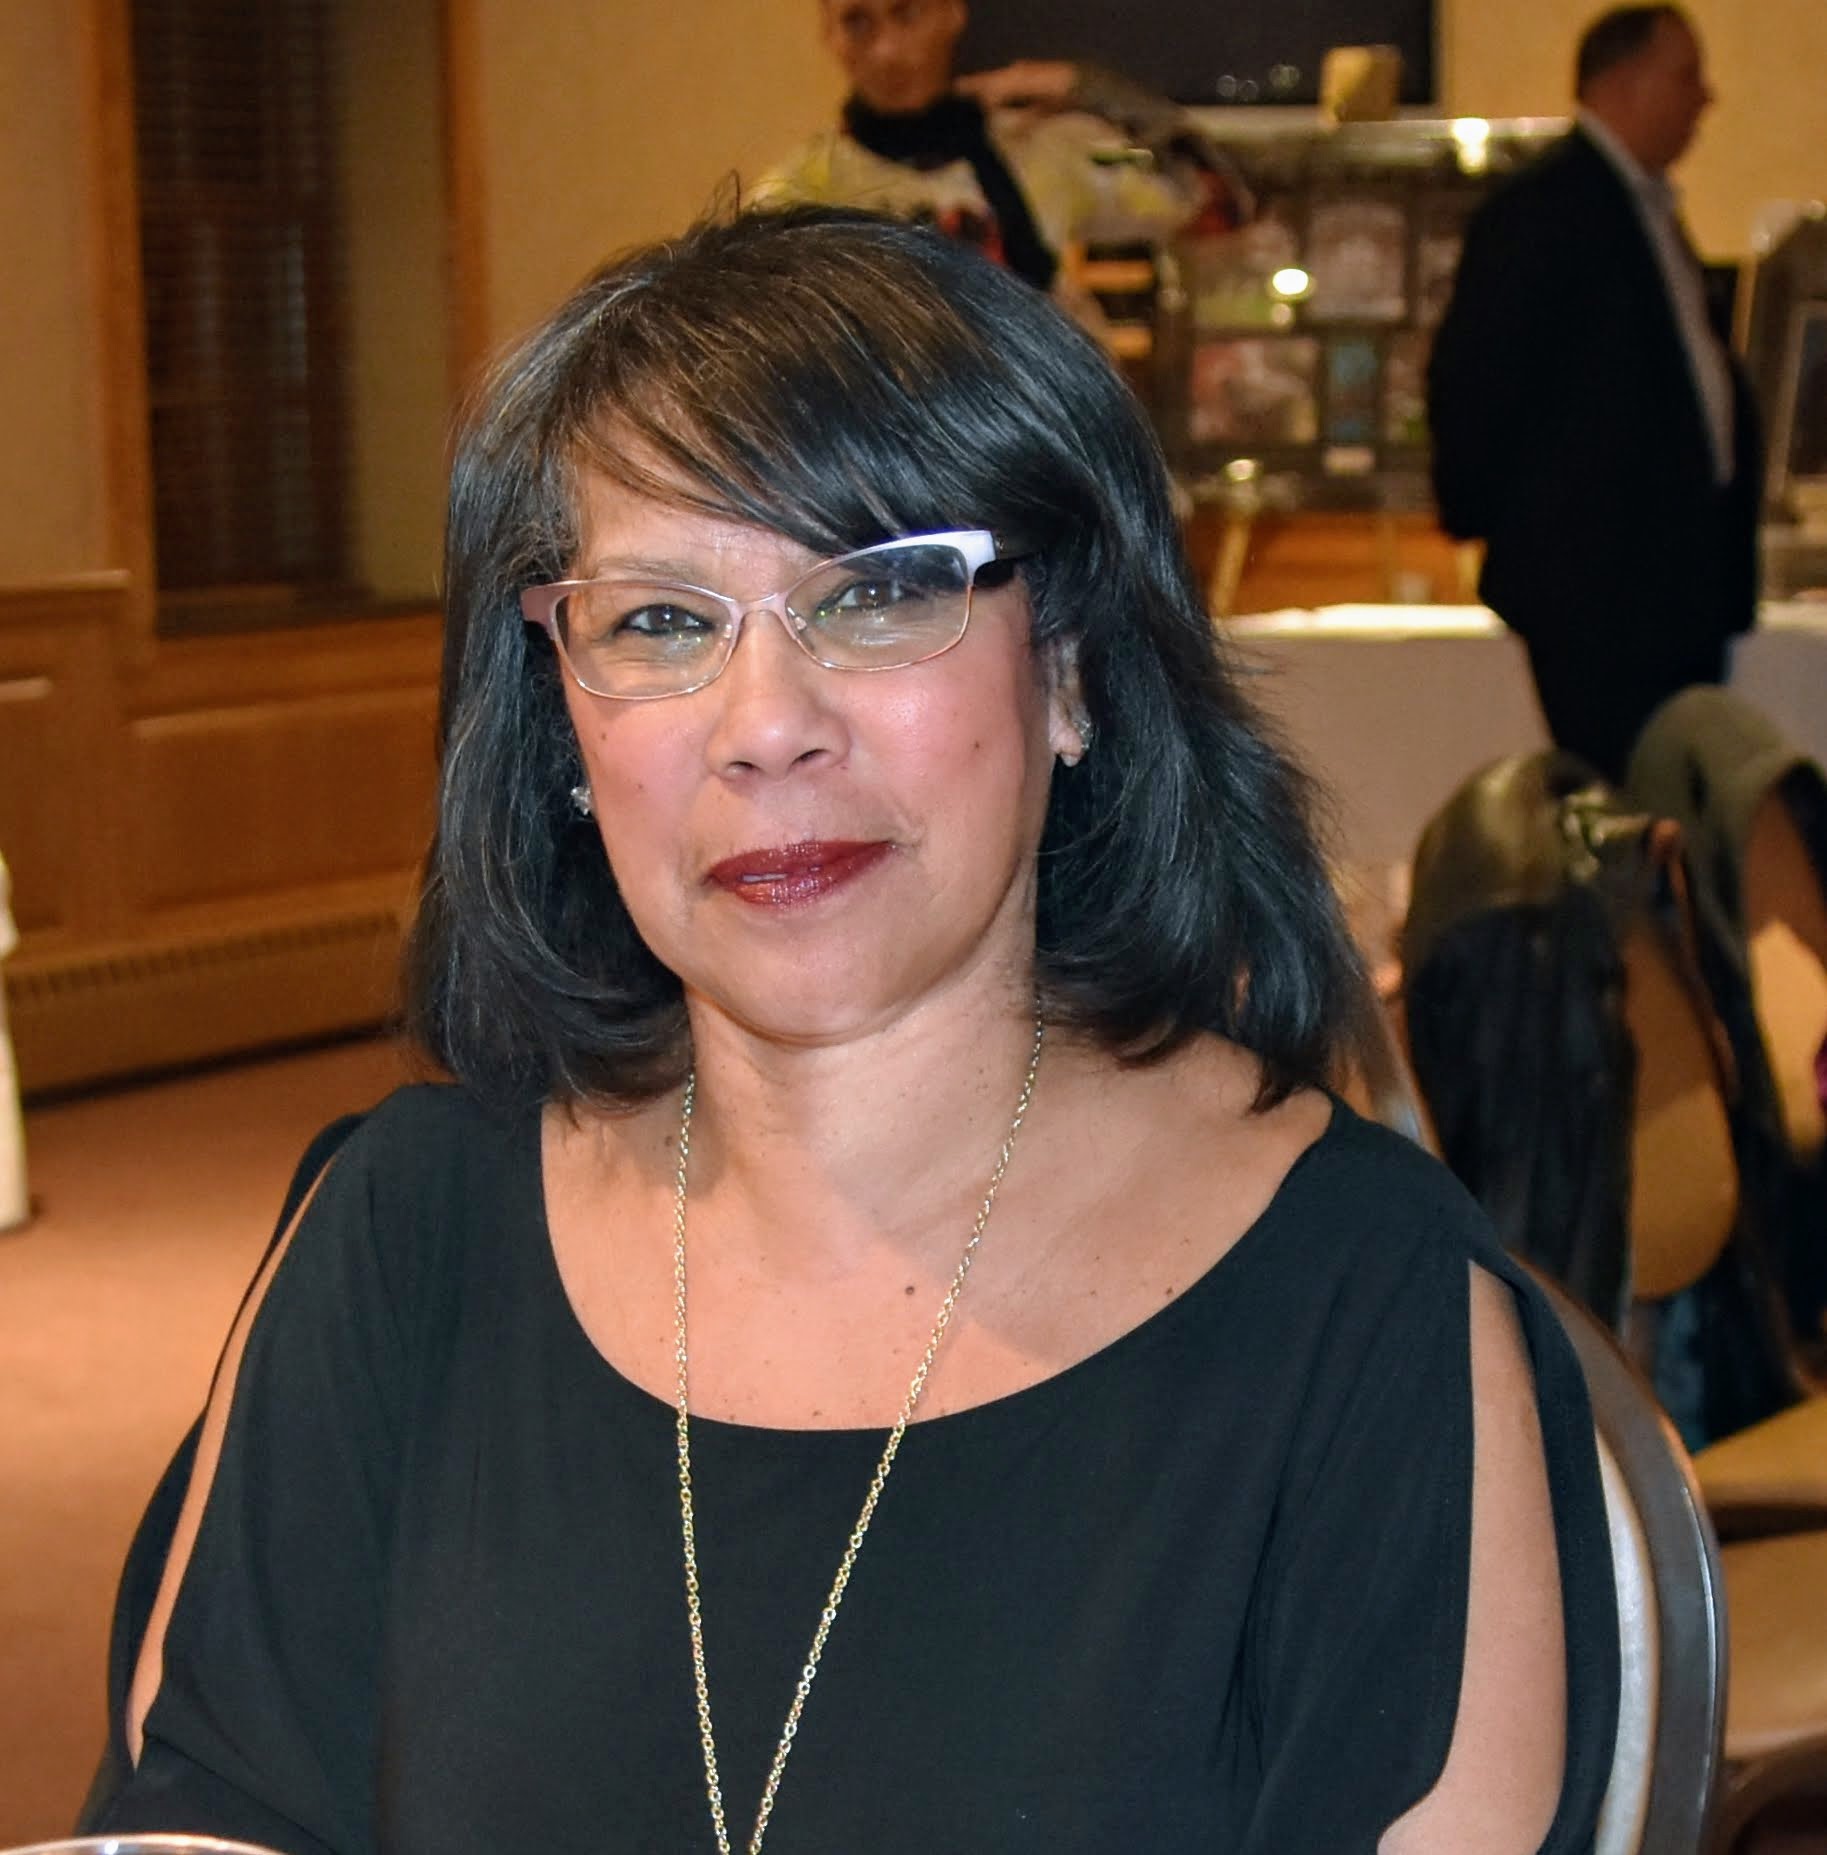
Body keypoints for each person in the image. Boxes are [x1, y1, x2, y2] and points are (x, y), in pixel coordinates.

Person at [94, 206, 1616, 1854]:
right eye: (661, 621)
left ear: (1068, 668)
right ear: (561, 721)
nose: (766, 728)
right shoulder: (406, 1235)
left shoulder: (1361, 1308)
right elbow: (207, 1814)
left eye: (879, 593)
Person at [1428, 4, 1762, 783]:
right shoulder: (1542, 210)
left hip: (1671, 582)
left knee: (1675, 789)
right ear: (1625, 83)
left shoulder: (1644, 208)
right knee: (1626, 797)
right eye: (1685, 76)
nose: (1704, 98)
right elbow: (1476, 382)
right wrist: (1508, 527)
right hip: (1599, 592)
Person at [754, 0, 1241, 307]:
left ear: (951, 13)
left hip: (1047, 416)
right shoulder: (802, 194)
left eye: (907, 13)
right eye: (858, 23)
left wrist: (1076, 84)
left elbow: (1219, 197)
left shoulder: (1041, 154)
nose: (887, 51)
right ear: (831, 37)